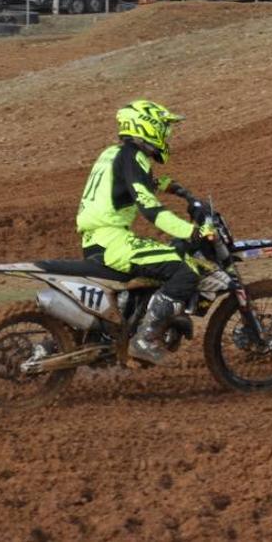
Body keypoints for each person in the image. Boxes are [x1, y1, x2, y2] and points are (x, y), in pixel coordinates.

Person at [75, 99, 214, 365]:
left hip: (96, 239)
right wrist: (192, 232)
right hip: (112, 240)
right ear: (146, 127)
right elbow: (151, 209)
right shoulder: (133, 157)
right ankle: (145, 338)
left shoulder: (113, 153)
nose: (167, 134)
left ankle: (126, 324)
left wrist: (174, 188)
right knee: (184, 269)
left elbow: (136, 183)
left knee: (159, 260)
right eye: (163, 128)